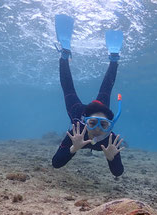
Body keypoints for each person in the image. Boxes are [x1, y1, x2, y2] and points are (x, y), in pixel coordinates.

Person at [52, 16, 125, 177]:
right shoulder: (76, 132)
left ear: (109, 126)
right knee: (70, 88)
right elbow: (56, 164)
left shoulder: (109, 140)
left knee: (105, 90)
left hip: (96, 108)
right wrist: (73, 148)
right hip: (81, 111)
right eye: (92, 123)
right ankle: (66, 54)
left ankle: (111, 59)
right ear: (85, 121)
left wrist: (112, 158)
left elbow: (118, 173)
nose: (98, 129)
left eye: (104, 125)